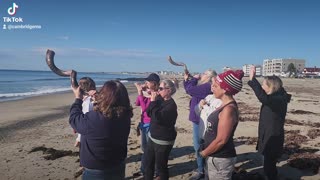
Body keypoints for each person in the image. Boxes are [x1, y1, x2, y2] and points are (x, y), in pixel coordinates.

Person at [69, 80, 133, 180]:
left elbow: (74, 119)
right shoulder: (125, 115)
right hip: (118, 164)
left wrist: (78, 99)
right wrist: (98, 99)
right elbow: (109, 110)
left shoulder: (95, 119)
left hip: (97, 171)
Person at [248, 66, 291, 180]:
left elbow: (263, 98)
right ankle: (270, 175)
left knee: (269, 163)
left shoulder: (278, 99)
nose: (262, 87)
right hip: (267, 133)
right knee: (268, 161)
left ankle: (271, 177)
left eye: (264, 85)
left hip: (273, 135)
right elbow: (264, 97)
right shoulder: (276, 96)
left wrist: (253, 80)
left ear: (271, 86)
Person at [200, 70, 244, 180]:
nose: (212, 88)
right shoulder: (222, 105)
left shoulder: (228, 110)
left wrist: (204, 153)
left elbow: (221, 140)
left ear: (225, 89)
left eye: (215, 86)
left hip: (220, 159)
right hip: (214, 155)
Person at [183, 69, 216, 180]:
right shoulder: (203, 85)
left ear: (210, 77)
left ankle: (202, 170)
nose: (202, 74)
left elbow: (190, 90)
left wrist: (195, 78)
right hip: (198, 119)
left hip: (200, 120)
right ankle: (203, 169)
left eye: (205, 74)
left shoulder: (207, 86)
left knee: (199, 146)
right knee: (200, 146)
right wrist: (187, 79)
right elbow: (188, 89)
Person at [144, 80, 178, 180]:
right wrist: (153, 101)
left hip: (163, 141)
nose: (158, 90)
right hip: (153, 137)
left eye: (161, 89)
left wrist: (153, 101)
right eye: (159, 88)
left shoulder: (171, 106)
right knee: (148, 164)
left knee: (161, 168)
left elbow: (157, 119)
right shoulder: (160, 99)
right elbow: (149, 112)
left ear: (169, 90)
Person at [134, 73, 160, 176]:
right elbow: (137, 103)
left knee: (150, 149)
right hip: (144, 124)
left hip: (150, 124)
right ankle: (145, 168)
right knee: (145, 148)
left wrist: (140, 93)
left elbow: (146, 109)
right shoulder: (148, 93)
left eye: (147, 82)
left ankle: (152, 170)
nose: (146, 83)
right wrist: (142, 93)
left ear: (153, 83)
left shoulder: (156, 95)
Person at [74, 77, 97, 148]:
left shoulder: (87, 102)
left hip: (88, 134)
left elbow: (85, 122)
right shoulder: (93, 99)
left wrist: (79, 139)